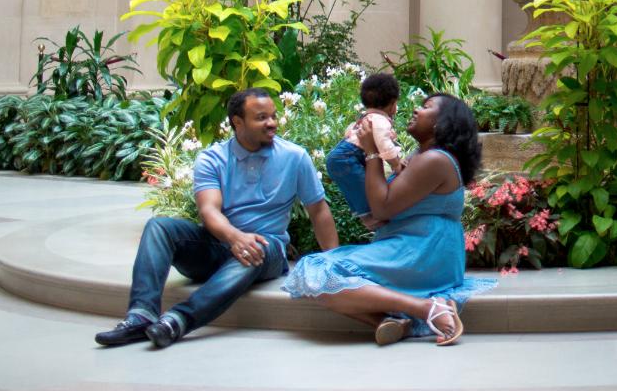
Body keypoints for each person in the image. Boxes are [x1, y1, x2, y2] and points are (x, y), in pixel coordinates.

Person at [96, 87, 337, 349]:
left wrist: (334, 261)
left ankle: (178, 321)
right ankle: (141, 316)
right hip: (218, 245)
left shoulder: (294, 157)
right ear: (237, 122)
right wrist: (235, 238)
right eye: (261, 118)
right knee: (159, 227)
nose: (271, 123)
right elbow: (209, 210)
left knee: (253, 248)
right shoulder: (213, 158)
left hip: (268, 248)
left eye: (273, 116)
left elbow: (318, 210)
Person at [283, 93, 493, 345]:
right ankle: (392, 321)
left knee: (318, 271)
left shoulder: (435, 160)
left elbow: (381, 208)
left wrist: (372, 152)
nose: (416, 110)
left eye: (426, 107)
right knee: (317, 280)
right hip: (411, 249)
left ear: (442, 123)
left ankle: (425, 308)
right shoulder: (419, 156)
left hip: (424, 252)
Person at [325, 72, 405, 226]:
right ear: (392, 104)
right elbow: (384, 145)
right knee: (367, 190)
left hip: (340, 156)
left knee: (355, 190)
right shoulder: (380, 120)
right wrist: (396, 164)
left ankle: (366, 218)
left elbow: (349, 133)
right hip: (348, 157)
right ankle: (373, 218)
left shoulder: (365, 117)